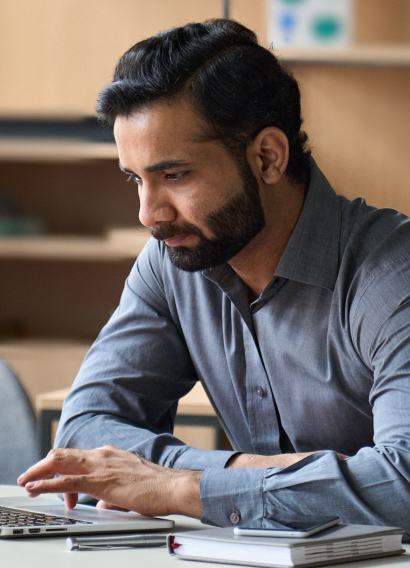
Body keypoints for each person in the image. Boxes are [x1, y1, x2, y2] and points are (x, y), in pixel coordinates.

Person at [18, 19, 410, 537]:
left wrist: (177, 488)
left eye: (174, 175)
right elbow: (85, 432)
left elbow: (402, 486)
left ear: (267, 157)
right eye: (136, 179)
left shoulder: (392, 276)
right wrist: (243, 472)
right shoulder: (173, 259)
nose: (149, 214)